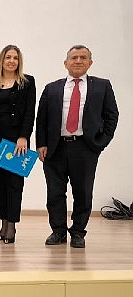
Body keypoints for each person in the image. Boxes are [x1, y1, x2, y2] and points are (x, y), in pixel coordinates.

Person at [36, 45, 118, 249]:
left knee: (82, 193)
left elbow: (112, 116)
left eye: (83, 58)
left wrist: (100, 143)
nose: (78, 61)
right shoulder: (52, 88)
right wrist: (41, 144)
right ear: (66, 63)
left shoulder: (102, 86)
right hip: (55, 148)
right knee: (55, 193)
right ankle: (58, 231)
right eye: (74, 58)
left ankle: (78, 232)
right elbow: (42, 119)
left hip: (85, 148)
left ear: (90, 62)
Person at [0, 45, 35, 244]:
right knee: (0, 184)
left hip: (17, 142)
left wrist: (23, 136)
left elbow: (30, 112)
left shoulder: (27, 82)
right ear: (2, 60)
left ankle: (12, 226)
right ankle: (3, 221)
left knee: (15, 185)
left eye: (15, 58)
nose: (12, 61)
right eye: (8, 57)